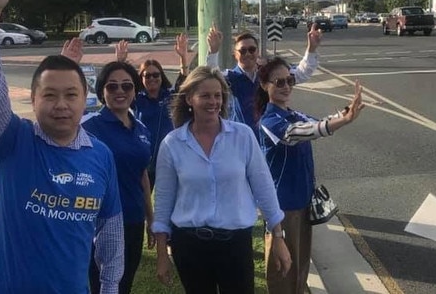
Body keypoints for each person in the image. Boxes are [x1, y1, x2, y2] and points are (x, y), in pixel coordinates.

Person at [0, 0, 123, 293]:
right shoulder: (12, 141)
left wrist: (109, 288)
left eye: (71, 95)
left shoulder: (101, 156)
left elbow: (110, 229)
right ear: (33, 100)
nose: (61, 105)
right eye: (49, 95)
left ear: (86, 100)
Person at [152, 66, 292, 293]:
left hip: (235, 245)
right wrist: (161, 254)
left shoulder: (243, 136)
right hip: (189, 246)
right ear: (189, 98)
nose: (213, 102)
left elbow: (264, 187)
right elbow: (163, 202)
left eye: (218, 95)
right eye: (205, 95)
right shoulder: (172, 143)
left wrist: (278, 237)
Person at [254, 57, 364, 294]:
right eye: (279, 82)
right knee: (283, 269)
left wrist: (346, 112)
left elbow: (318, 123)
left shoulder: (294, 114)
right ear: (265, 85)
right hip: (282, 207)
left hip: (303, 203)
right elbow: (301, 133)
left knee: (301, 265)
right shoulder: (269, 121)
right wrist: (343, 120)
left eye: (290, 80)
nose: (286, 86)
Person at [80, 59, 154, 294]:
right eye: (112, 86)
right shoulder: (88, 128)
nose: (120, 91)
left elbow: (142, 174)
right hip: (97, 222)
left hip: (133, 220)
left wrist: (150, 218)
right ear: (102, 90)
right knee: (98, 284)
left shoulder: (141, 129)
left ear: (135, 90)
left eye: (127, 86)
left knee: (124, 283)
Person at [206, 23, 322, 135]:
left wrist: (311, 49)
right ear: (235, 55)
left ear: (257, 51)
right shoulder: (231, 77)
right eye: (242, 51)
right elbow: (211, 78)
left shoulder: (267, 72)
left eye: (252, 49)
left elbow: (301, 74)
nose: (247, 54)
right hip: (242, 139)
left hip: (271, 135)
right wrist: (213, 52)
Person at [115, 36, 189, 190]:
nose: (152, 78)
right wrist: (120, 63)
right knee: (141, 201)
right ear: (140, 78)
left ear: (162, 76)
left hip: (169, 157)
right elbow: (121, 87)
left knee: (171, 199)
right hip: (144, 160)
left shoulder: (170, 96)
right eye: (147, 76)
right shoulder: (137, 99)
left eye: (156, 75)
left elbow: (184, 82)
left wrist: (183, 58)